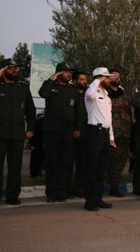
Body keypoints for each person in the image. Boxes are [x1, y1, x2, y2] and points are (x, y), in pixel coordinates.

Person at [39, 62, 83, 203]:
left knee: (65, 163)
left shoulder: (73, 90)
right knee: (52, 163)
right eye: (66, 71)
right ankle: (51, 194)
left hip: (68, 132)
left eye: (70, 72)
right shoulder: (50, 87)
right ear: (58, 73)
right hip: (52, 131)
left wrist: (77, 128)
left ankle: (61, 192)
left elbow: (79, 112)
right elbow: (42, 93)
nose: (69, 74)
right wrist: (51, 79)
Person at [0, 59, 36, 207]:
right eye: (11, 68)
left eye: (16, 68)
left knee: (15, 167)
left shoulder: (23, 88)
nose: (15, 71)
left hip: (17, 134)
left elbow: (31, 110)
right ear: (3, 70)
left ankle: (12, 196)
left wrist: (30, 128)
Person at [83, 67, 117, 211]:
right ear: (100, 78)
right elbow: (89, 94)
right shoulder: (93, 93)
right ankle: (89, 201)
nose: (109, 80)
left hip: (105, 134)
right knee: (91, 168)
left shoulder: (107, 96)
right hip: (94, 133)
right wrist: (97, 80)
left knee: (101, 170)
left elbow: (108, 119)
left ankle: (98, 198)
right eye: (107, 78)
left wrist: (111, 137)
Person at [106, 69, 132, 197]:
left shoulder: (124, 96)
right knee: (107, 162)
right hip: (109, 134)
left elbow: (131, 114)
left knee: (120, 162)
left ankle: (114, 186)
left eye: (118, 77)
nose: (117, 78)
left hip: (124, 134)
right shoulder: (105, 94)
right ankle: (101, 186)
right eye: (114, 76)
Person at [67, 70, 88, 198]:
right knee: (68, 163)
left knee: (83, 164)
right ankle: (68, 189)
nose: (84, 82)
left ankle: (79, 188)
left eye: (85, 79)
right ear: (74, 81)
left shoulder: (88, 94)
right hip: (70, 133)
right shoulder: (68, 92)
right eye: (81, 79)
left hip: (85, 134)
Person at [29, 113, 45, 178]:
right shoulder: (38, 123)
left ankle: (38, 172)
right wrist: (32, 144)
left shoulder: (39, 122)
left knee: (39, 159)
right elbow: (33, 133)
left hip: (39, 143)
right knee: (36, 159)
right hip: (37, 143)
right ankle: (34, 173)